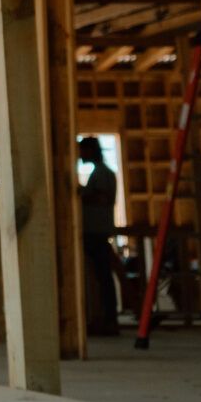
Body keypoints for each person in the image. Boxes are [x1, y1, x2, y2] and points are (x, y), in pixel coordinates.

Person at [78, 136, 122, 335]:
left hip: (96, 232)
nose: (80, 155)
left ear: (90, 151)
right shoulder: (100, 172)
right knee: (101, 277)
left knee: (102, 278)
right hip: (96, 231)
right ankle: (105, 319)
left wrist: (81, 194)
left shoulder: (102, 173)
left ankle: (108, 320)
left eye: (82, 150)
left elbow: (103, 198)